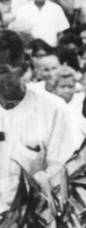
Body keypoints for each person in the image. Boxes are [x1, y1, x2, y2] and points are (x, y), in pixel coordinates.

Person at [0, 29, 78, 214]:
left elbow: (61, 168)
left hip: (34, 217)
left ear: (24, 68)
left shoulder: (52, 108)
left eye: (1, 71)